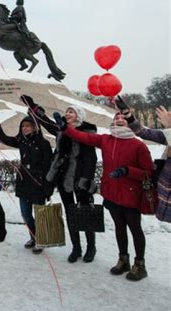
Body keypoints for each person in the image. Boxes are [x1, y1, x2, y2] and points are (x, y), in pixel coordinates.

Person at [56, 110, 154, 281]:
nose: (119, 119)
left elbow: (148, 173)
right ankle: (123, 259)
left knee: (135, 229)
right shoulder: (106, 140)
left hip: (131, 195)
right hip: (112, 193)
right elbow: (83, 137)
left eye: (123, 118)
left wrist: (128, 171)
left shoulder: (138, 145)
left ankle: (140, 265)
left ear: (130, 123)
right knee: (119, 227)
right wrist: (65, 128)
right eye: (116, 118)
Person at [22, 95, 98, 263]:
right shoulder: (61, 129)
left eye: (72, 111)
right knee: (71, 214)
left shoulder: (87, 132)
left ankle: (91, 247)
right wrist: (33, 106)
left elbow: (91, 159)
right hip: (63, 179)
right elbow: (46, 122)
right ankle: (76, 248)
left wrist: (86, 181)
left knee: (84, 214)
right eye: (67, 111)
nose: (68, 113)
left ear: (79, 116)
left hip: (80, 180)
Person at [0, 115, 53, 252]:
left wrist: (48, 187)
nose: (25, 128)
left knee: (40, 215)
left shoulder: (44, 144)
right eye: (23, 126)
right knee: (26, 214)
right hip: (24, 183)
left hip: (38, 185)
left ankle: (41, 240)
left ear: (34, 128)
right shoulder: (21, 141)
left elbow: (48, 166)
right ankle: (33, 236)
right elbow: (4, 137)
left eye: (28, 126)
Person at [116, 96, 171, 224]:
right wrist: (127, 114)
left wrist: (169, 127)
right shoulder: (167, 135)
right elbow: (142, 132)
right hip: (165, 197)